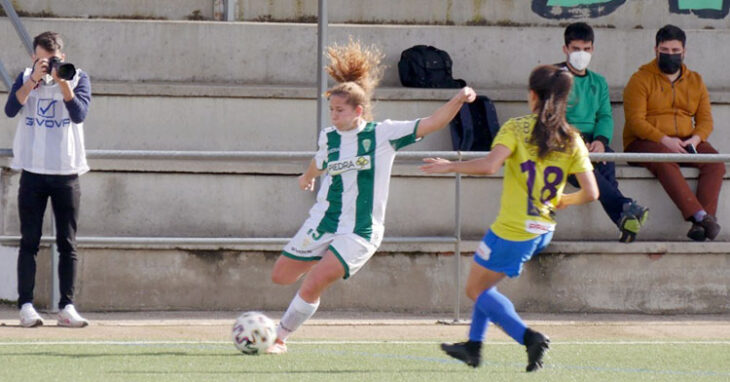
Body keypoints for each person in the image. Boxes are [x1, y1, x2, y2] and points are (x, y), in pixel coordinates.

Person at [266, 39, 477, 354]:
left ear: (358, 111)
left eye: (340, 110)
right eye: (332, 110)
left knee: (314, 282)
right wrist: (307, 177)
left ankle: (279, 338)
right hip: (323, 221)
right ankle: (320, 264)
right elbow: (318, 161)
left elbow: (432, 123)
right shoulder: (330, 137)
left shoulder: (382, 135)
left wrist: (459, 99)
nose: (334, 115)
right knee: (281, 277)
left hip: (360, 230)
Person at [421, 65, 599, 372]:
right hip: (543, 228)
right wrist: (561, 200)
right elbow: (591, 192)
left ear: (532, 95)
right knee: (484, 285)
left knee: (476, 290)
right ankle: (473, 347)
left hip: (513, 229)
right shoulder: (572, 139)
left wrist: (449, 166)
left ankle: (529, 337)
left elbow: (490, 165)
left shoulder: (517, 128)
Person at [3, 31, 91, 327]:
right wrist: (33, 81)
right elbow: (11, 109)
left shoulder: (78, 78)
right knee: (29, 241)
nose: (48, 64)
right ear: (34, 58)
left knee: (68, 243)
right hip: (33, 172)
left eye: (53, 60)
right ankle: (26, 305)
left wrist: (62, 82)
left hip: (66, 173)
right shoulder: (26, 76)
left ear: (62, 58)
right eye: (42, 60)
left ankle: (67, 306)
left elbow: (79, 114)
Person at [623, 24, 724, 241]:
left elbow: (706, 120)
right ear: (656, 50)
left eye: (675, 51)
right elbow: (635, 122)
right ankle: (701, 216)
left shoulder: (696, 80)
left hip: (687, 140)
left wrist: (695, 140)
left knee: (716, 162)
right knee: (664, 158)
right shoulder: (639, 79)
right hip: (644, 141)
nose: (670, 55)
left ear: (684, 52)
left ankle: (701, 224)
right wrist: (665, 140)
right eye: (665, 51)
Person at [558, 22, 649, 243]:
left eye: (586, 49)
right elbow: (552, 117)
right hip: (563, 143)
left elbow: (605, 116)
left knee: (606, 158)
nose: (582, 54)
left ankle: (623, 217)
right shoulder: (555, 78)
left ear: (593, 49)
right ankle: (625, 207)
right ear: (565, 49)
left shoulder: (598, 82)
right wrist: (576, 139)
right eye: (576, 48)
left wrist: (599, 141)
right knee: (589, 168)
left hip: (592, 141)